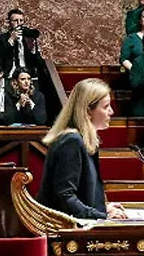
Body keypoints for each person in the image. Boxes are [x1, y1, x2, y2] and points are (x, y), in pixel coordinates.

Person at [37, 78, 125, 220]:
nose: (111, 111)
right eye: (106, 106)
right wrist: (103, 216)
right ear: (87, 111)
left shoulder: (83, 140)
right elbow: (65, 197)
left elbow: (82, 194)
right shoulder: (71, 141)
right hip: (64, 235)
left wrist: (102, 207)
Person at [0, 9, 44, 77]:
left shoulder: (28, 38)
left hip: (27, 75)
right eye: (15, 20)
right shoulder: (1, 39)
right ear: (9, 22)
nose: (19, 23)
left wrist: (33, 50)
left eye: (21, 20)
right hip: (10, 74)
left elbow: (38, 63)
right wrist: (11, 40)